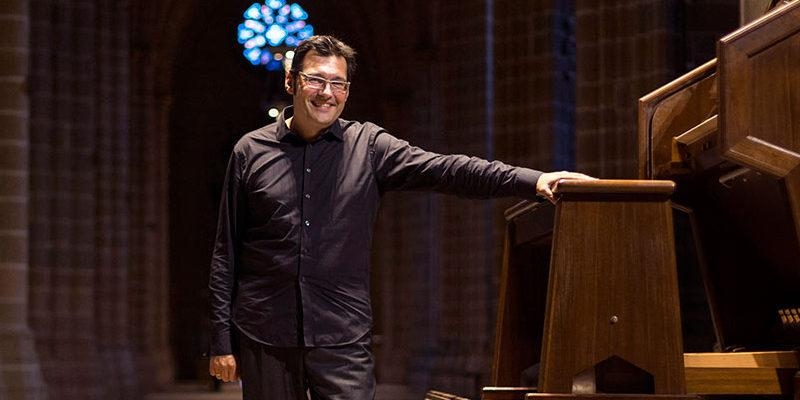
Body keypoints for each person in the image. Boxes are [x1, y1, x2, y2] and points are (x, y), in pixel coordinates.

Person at [208, 35, 592, 400]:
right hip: (266, 335)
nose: (327, 92)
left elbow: (450, 170)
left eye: (338, 83)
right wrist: (221, 341)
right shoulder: (250, 151)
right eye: (316, 80)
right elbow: (227, 252)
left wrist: (534, 180)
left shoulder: (369, 146)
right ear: (292, 82)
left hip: (342, 332)